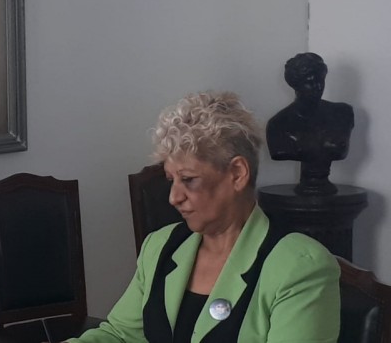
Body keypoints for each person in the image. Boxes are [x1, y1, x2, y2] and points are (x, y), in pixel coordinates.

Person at [68, 91, 340, 343]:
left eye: (188, 179)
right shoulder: (159, 246)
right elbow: (120, 335)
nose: (174, 197)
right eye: (171, 180)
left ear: (237, 173)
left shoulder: (300, 266)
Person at [266, 52, 355, 195]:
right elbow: (278, 152)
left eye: (321, 80)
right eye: (309, 82)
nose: (318, 87)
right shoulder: (278, 125)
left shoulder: (343, 113)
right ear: (295, 85)